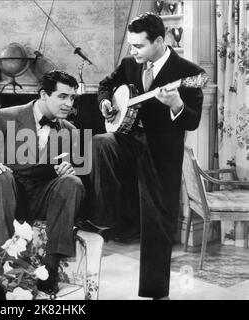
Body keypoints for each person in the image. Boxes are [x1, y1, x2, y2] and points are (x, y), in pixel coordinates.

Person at [81, 13, 204, 299]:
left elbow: (193, 120)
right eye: (131, 45)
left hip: (162, 153)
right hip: (127, 139)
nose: (133, 51)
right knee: (99, 143)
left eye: (139, 46)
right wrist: (104, 103)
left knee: (157, 223)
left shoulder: (190, 71)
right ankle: (103, 217)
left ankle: (156, 292)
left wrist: (176, 104)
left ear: (159, 41)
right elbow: (104, 86)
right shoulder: (128, 64)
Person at [0, 70, 85, 294]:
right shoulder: (4, 117)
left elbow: (76, 173)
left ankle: (51, 266)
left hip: (39, 198)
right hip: (5, 194)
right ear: (44, 95)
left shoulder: (69, 130)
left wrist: (69, 169)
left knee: (72, 182)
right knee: (1, 177)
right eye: (62, 96)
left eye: (72, 98)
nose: (69, 103)